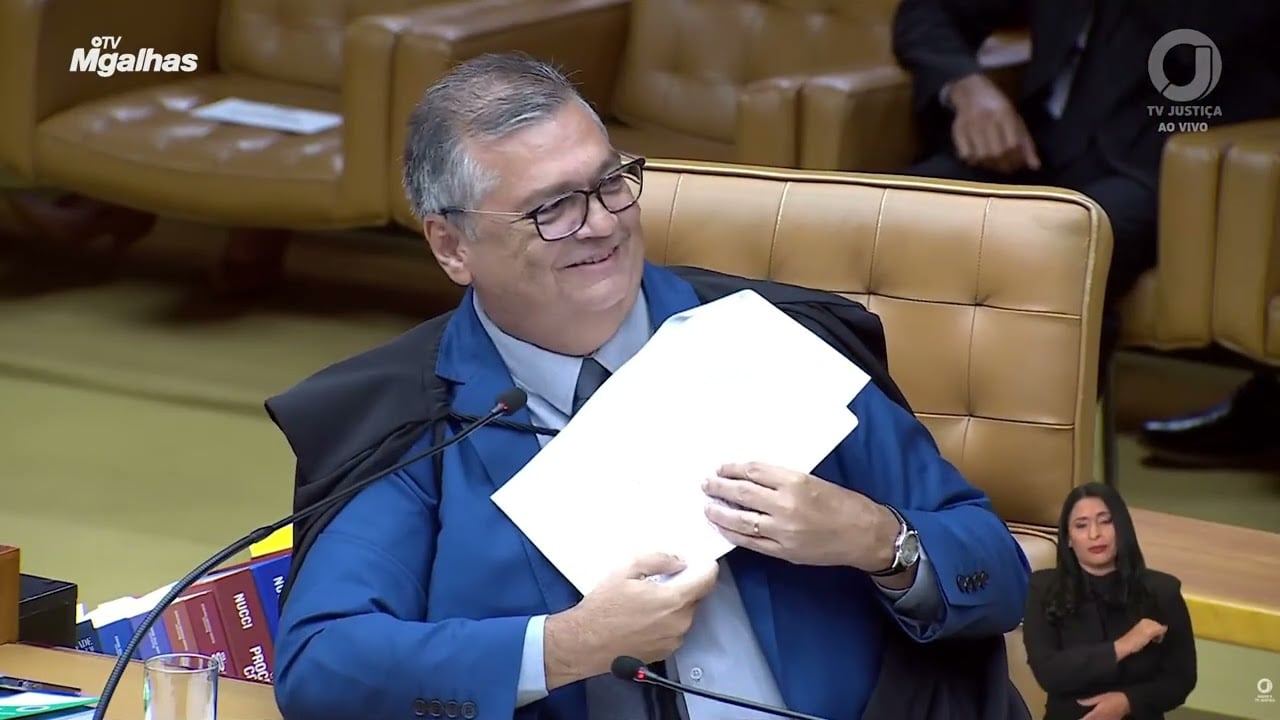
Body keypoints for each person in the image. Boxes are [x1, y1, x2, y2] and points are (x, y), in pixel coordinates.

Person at [266, 52, 1031, 720]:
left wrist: (877, 539)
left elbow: (996, 575)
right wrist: (564, 647)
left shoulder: (770, 340)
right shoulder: (413, 418)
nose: (601, 223)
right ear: (451, 245)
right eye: (552, 208)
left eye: (611, 183)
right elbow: (323, 668)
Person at [891, 0, 1280, 397]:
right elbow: (928, 11)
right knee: (890, 215)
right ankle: (882, 423)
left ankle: (1022, 432)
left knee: (1062, 246)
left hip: (1174, 163)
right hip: (1039, 142)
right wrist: (966, 87)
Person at [1022, 483, 1197, 720]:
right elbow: (1049, 673)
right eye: (1081, 525)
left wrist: (1128, 702)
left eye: (1105, 521)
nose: (1094, 534)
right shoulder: (1043, 589)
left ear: (1122, 528)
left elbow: (1181, 679)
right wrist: (1123, 646)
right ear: (1068, 538)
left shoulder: (1162, 592)